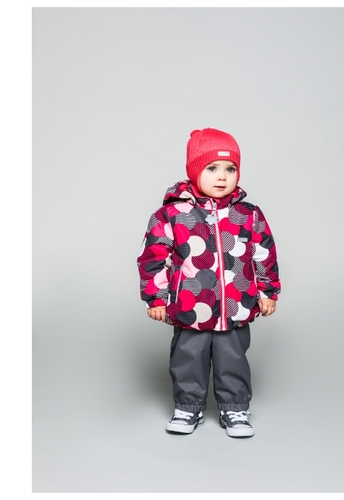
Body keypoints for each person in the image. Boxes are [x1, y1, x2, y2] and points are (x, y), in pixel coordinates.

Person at [137, 127, 281, 438]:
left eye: (230, 169)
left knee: (233, 358)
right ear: (194, 171)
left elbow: (264, 253)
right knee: (188, 357)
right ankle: (188, 408)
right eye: (212, 168)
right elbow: (153, 257)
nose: (222, 177)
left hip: (236, 303)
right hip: (191, 305)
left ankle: (235, 408)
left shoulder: (248, 215)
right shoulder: (172, 214)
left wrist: (267, 291)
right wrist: (156, 297)